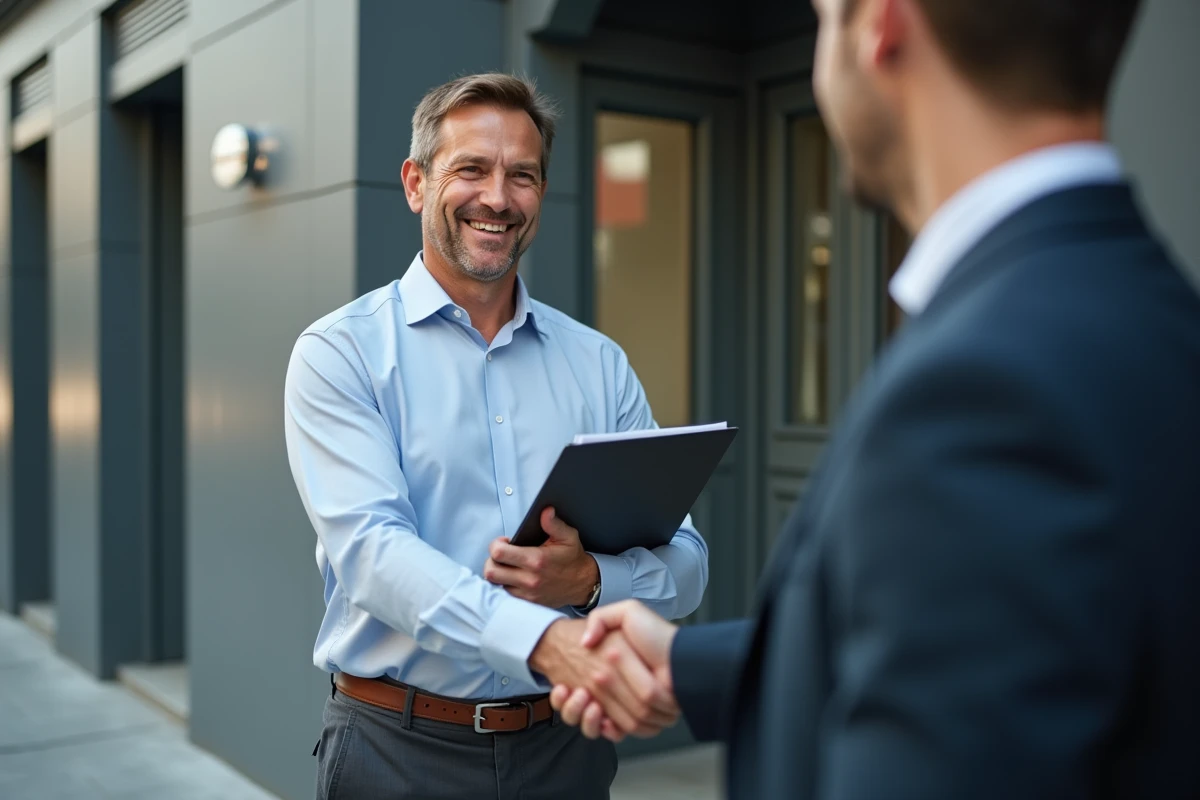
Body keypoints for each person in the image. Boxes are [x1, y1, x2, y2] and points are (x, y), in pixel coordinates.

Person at [552, 0, 1200, 797]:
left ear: (882, 25)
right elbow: (979, 638)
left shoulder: (980, 391)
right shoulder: (1151, 314)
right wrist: (690, 662)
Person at [283, 73, 705, 799]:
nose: (498, 198)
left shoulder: (597, 364)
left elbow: (690, 564)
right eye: (471, 169)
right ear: (417, 184)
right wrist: (547, 640)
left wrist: (594, 580)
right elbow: (373, 556)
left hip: (563, 753)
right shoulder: (340, 353)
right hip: (396, 751)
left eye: (523, 176)